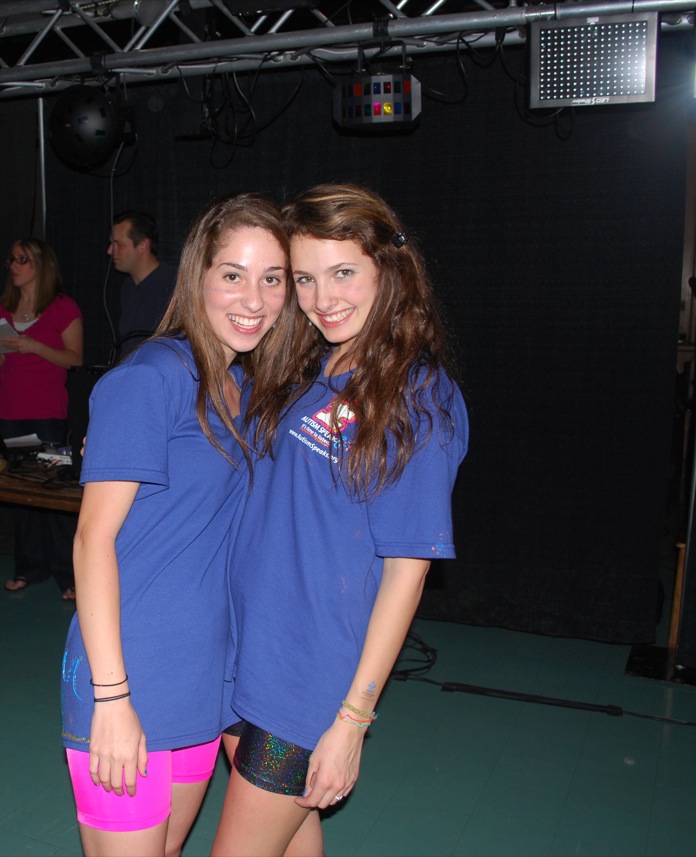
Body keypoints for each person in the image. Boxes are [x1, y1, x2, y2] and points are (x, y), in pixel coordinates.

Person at [212, 184, 470, 856]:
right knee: (294, 835)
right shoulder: (312, 364)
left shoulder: (418, 398)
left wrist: (352, 720)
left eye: (343, 272)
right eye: (304, 278)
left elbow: (407, 574)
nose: (322, 297)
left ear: (390, 268)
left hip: (304, 679)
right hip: (246, 650)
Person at [61, 192, 298, 857]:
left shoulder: (244, 390)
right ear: (198, 276)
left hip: (203, 675)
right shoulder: (152, 377)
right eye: (233, 274)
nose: (253, 299)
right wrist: (113, 699)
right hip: (129, 666)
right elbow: (92, 539)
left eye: (272, 278)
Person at [0, 238, 84, 600]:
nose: (14, 266)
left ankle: (68, 575)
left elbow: (75, 359)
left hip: (47, 414)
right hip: (7, 412)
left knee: (54, 493)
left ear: (40, 265)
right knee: (22, 494)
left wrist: (35, 346)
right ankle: (29, 567)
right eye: (12, 260)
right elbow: (2, 362)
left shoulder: (63, 308)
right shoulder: (4, 309)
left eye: (22, 260)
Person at [108, 210, 177, 357]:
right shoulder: (127, 287)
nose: (110, 251)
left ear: (143, 245)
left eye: (118, 244)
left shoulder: (173, 282)